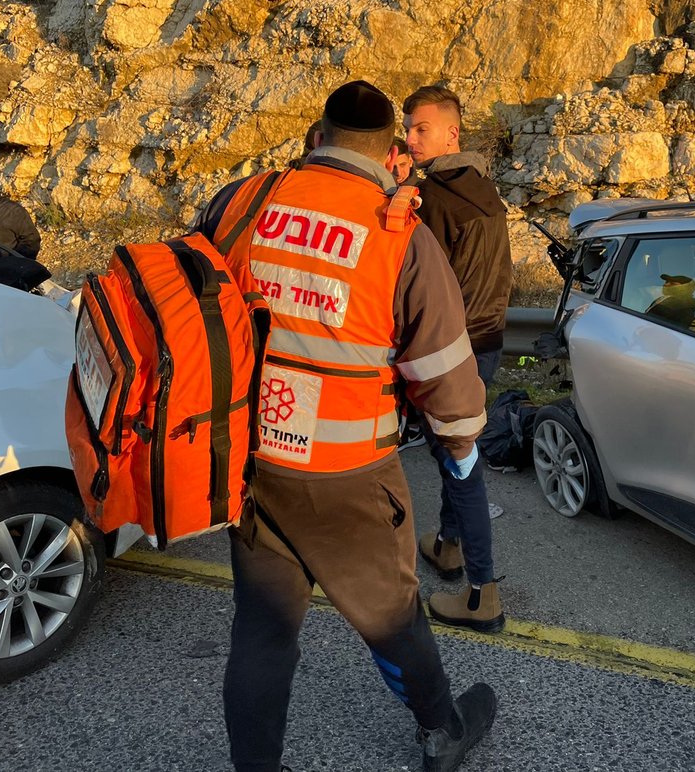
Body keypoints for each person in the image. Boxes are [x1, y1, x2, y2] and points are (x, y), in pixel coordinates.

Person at [193, 80, 497, 772]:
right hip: (348, 471)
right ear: (389, 149)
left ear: (319, 134)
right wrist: (459, 442)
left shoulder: (244, 201)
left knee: (264, 632)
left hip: (252, 459)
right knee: (394, 614)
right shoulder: (400, 235)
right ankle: (441, 730)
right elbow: (445, 373)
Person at [402, 84, 512, 633]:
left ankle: (482, 594)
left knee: (461, 465)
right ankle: (447, 545)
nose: (410, 137)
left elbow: (419, 291)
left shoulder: (433, 201)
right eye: (407, 127)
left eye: (421, 128)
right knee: (453, 452)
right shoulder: (483, 190)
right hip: (488, 342)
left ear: (452, 132)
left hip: (453, 352)